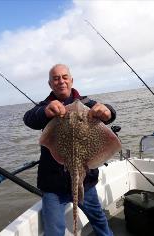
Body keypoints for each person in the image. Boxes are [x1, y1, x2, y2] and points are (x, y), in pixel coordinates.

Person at [23, 64, 116, 236]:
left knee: (99, 221)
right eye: (56, 78)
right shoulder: (45, 106)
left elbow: (107, 112)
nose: (61, 81)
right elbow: (29, 118)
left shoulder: (87, 104)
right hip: (53, 186)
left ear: (71, 80)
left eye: (64, 77)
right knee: (54, 232)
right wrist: (45, 112)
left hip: (86, 182)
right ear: (50, 84)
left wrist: (108, 111)